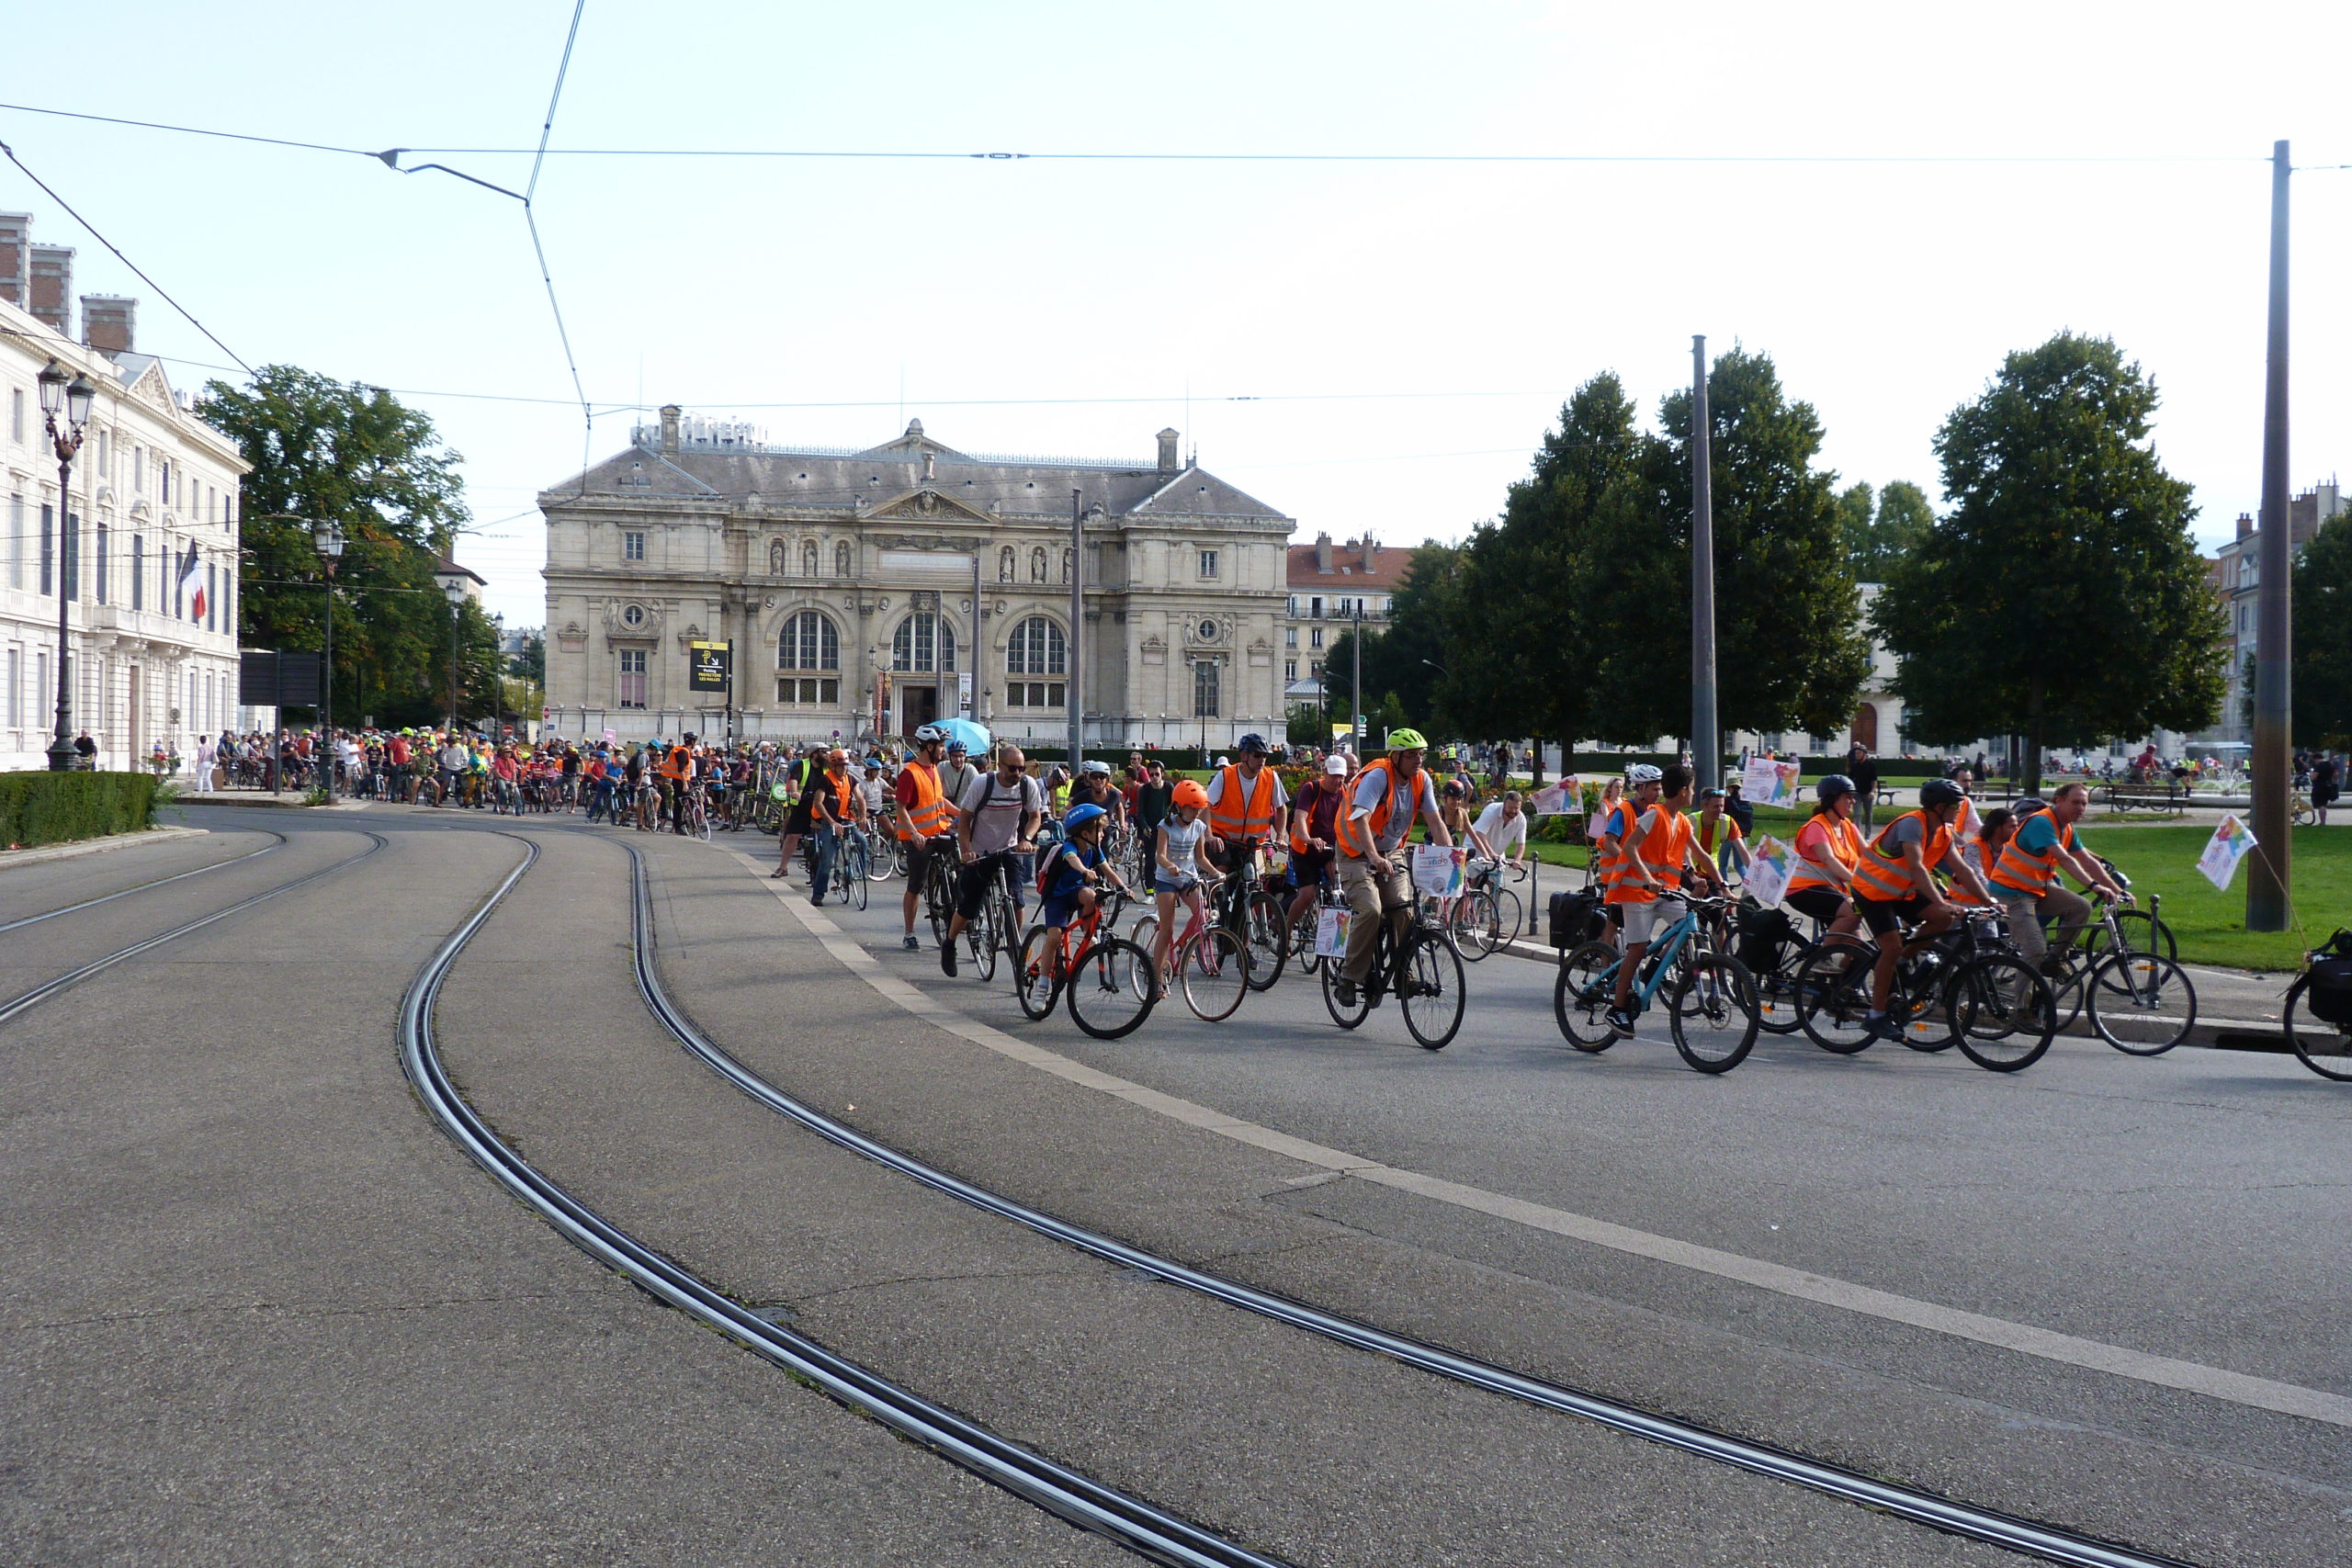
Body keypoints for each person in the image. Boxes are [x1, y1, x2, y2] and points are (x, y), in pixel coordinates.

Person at [1849, 777, 1996, 1035]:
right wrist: (1942, 902)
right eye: (1955, 806)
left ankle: (1903, 963)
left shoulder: (1944, 831)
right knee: (1892, 946)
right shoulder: (1911, 825)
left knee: (1942, 920)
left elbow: (1962, 869)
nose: (1959, 810)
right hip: (1872, 892)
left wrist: (1988, 901)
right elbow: (1917, 867)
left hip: (1900, 892)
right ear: (1939, 807)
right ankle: (1875, 1014)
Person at [1335, 728, 1452, 1008]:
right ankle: (1349, 978)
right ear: (1396, 757)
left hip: (1391, 851)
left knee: (1404, 908)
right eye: (1412, 755)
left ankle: (1403, 974)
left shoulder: (1421, 780)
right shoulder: (1378, 777)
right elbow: (1361, 820)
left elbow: (1435, 822)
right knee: (1372, 910)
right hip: (1355, 854)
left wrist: (1453, 859)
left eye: (1421, 755)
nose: (1419, 761)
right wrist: (1373, 857)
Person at [1608, 765, 1725, 1032]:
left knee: (1685, 925)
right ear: (1683, 791)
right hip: (1637, 890)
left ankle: (1655, 969)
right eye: (1692, 789)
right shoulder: (1654, 815)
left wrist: (1722, 885)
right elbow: (1629, 847)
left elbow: (1701, 855)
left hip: (1664, 892)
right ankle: (1617, 1009)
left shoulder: (1682, 821)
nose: (1694, 793)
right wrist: (1648, 876)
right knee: (1636, 949)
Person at [1984, 783, 2126, 972]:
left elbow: (2088, 861)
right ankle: (2022, 1002)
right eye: (2076, 802)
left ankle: (2052, 962)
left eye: (2085, 804)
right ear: (2058, 800)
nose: (2081, 808)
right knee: (2035, 950)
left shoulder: (2066, 829)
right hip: (2013, 893)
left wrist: (2118, 890)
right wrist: (2094, 886)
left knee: (2081, 907)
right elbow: (2065, 859)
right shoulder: (2042, 822)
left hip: (2037, 889)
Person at [942, 746, 1043, 976]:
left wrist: (1026, 838)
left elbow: (1035, 817)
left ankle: (1015, 943)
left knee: (1017, 899)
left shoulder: (1028, 786)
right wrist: (967, 850)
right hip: (981, 851)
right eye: (1012, 768)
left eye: (1020, 768)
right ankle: (950, 943)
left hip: (1009, 847)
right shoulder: (983, 784)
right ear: (1000, 766)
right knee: (969, 906)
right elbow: (965, 819)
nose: (1017, 773)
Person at [1037, 803, 1135, 986]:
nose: (1103, 835)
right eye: (1099, 831)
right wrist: (1084, 870)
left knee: (1091, 895)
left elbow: (1108, 871)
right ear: (1084, 834)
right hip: (1056, 896)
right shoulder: (1070, 846)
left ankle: (1089, 936)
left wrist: (1123, 887)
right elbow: (1071, 858)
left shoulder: (1094, 851)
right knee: (1054, 937)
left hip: (1075, 892)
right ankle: (1042, 986)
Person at [1150, 779, 1218, 997]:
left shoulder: (1199, 826)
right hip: (1167, 879)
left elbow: (1200, 858)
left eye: (1199, 808)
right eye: (1192, 808)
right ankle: (1156, 977)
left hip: (1188, 877)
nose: (1196, 813)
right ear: (1179, 806)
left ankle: (1182, 946)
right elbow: (1159, 856)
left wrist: (1216, 873)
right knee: (1167, 928)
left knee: (1202, 913)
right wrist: (1169, 866)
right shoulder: (1166, 826)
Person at [895, 725, 956, 951]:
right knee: (916, 885)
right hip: (918, 838)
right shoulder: (909, 773)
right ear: (928, 747)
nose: (943, 750)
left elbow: (940, 802)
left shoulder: (934, 770)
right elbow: (900, 808)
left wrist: (964, 814)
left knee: (962, 861)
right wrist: (913, 833)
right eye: (941, 746)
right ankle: (909, 933)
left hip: (940, 832)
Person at [1785, 774, 1864, 942]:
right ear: (1831, 800)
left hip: (1832, 890)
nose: (1853, 801)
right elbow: (1829, 859)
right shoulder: (1817, 825)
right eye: (1848, 797)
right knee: (1853, 912)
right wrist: (1858, 881)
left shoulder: (1847, 825)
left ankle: (1848, 966)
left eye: (1853, 797)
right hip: (1803, 889)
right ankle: (1822, 959)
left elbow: (1870, 854)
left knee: (1857, 945)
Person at [1204, 733, 1286, 882]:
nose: (1262, 760)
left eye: (1265, 756)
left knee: (1259, 879)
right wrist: (1209, 836)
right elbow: (1205, 805)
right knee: (1220, 874)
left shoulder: (1270, 777)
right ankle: (1211, 903)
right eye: (1257, 755)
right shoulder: (1225, 776)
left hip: (1254, 844)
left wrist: (1280, 837)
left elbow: (1281, 808)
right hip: (1223, 840)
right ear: (1244, 756)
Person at [1283, 752, 1352, 929]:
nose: (1338, 781)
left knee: (1340, 889)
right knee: (1307, 895)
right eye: (1334, 776)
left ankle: (1333, 933)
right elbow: (1300, 817)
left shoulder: (1345, 793)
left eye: (1341, 777)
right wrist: (1308, 838)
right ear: (1325, 773)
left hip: (1329, 851)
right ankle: (1287, 928)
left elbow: (1350, 821)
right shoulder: (1311, 789)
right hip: (1305, 852)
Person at [804, 750, 857, 908]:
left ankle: (855, 873)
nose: (844, 769)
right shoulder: (825, 780)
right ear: (834, 766)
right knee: (827, 860)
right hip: (829, 823)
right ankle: (818, 894)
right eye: (841, 766)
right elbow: (818, 803)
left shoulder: (850, 779)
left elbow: (860, 798)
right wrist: (831, 822)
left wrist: (862, 816)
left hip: (845, 820)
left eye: (846, 765)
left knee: (862, 842)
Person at [1468, 788, 1528, 871]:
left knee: (1496, 882)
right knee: (1473, 878)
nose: (1513, 811)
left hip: (1496, 854)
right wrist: (1490, 853)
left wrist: (1517, 860)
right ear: (1504, 804)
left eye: (1517, 808)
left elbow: (1521, 843)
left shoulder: (1521, 819)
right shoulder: (1492, 810)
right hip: (1475, 848)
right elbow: (1480, 834)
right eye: (1511, 808)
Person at [1694, 786, 1747, 878]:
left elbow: (1743, 851)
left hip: (1711, 872)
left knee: (1723, 892)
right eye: (1716, 806)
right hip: (1688, 872)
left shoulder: (1727, 822)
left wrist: (1754, 876)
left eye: (1722, 806)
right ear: (1704, 806)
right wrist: (1691, 875)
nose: (1720, 810)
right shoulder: (1690, 821)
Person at [1848, 741, 1881, 830]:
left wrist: (1872, 791)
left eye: (1859, 753)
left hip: (1868, 793)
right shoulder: (1854, 765)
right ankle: (1857, 834)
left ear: (1864, 754)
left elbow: (1874, 780)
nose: (1857, 755)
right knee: (1857, 814)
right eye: (1856, 753)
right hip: (1857, 793)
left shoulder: (1871, 765)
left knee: (1868, 814)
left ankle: (1867, 835)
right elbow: (1850, 780)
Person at [2314, 751, 2339, 828]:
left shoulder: (2319, 766)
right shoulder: (2330, 764)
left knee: (2321, 804)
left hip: (2320, 786)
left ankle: (2322, 822)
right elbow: (2336, 774)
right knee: (2324, 804)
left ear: (2317, 759)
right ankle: (2323, 822)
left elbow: (2314, 777)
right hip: (2328, 786)